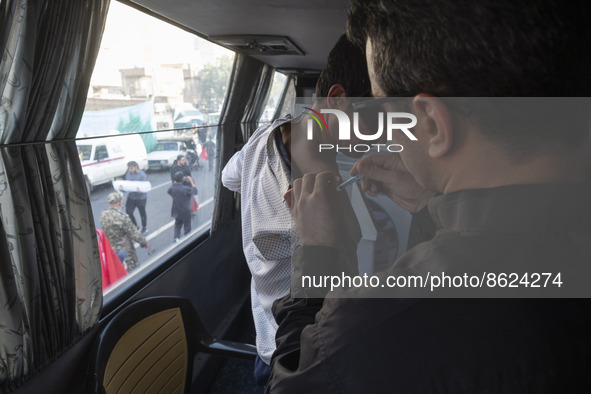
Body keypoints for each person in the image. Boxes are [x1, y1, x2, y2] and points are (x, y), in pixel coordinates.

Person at [267, 0, 591, 392]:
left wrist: (317, 251)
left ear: (433, 123)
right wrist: (433, 204)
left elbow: (290, 381)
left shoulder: (373, 322)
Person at [222, 34, 372, 387]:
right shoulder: (324, 195)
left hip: (266, 335)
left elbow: (231, 178)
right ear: (339, 101)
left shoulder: (266, 136)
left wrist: (259, 196)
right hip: (296, 352)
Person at [100, 192, 150, 273]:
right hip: (126, 251)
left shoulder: (103, 215)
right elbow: (134, 234)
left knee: (119, 273)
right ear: (120, 202)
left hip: (112, 250)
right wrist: (144, 243)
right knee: (132, 272)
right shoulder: (122, 217)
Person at [168, 171, 198, 242]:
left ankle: (176, 239)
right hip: (186, 211)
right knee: (187, 226)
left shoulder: (172, 188)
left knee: (177, 225)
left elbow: (169, 191)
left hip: (177, 211)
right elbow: (195, 191)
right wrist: (191, 181)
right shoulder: (186, 189)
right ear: (182, 179)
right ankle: (186, 240)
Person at [122, 160, 149, 234]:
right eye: (129, 168)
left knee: (142, 213)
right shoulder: (128, 174)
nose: (130, 170)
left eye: (131, 168)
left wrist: (141, 190)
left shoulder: (142, 175)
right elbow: (127, 185)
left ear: (136, 167)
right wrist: (122, 189)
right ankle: (136, 226)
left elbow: (145, 186)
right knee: (128, 212)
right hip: (131, 196)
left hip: (141, 198)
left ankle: (144, 227)